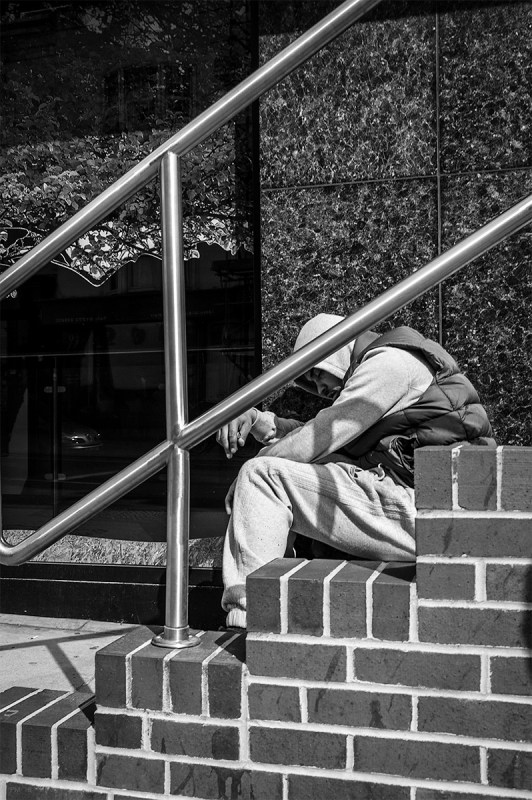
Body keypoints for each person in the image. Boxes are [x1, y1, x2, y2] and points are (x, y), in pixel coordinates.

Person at [216, 313, 494, 630]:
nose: (319, 387)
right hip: (430, 505)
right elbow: (325, 436)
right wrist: (262, 422)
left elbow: (321, 436)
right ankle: (274, 594)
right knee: (286, 470)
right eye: (309, 382)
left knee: (261, 477)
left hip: (433, 516)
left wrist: (250, 471)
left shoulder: (389, 363)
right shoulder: (391, 362)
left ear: (333, 350)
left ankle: (250, 616)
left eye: (317, 373)